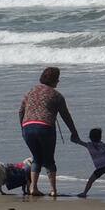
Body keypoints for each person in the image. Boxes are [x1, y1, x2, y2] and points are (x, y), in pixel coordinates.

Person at [19, 66, 82, 197]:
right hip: (45, 128)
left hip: (27, 127)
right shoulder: (57, 95)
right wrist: (74, 133)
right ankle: (53, 190)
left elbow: (20, 111)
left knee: (37, 159)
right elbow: (66, 116)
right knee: (49, 160)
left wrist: (23, 127)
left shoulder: (30, 91)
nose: (58, 82)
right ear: (54, 80)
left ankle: (33, 188)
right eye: (57, 79)